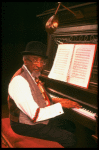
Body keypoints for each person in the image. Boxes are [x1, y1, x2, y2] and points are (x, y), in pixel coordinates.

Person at [8, 41, 82, 148]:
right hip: (23, 124)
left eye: (41, 61)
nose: (39, 65)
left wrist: (57, 100)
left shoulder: (32, 74)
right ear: (25, 60)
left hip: (34, 118)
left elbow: (38, 96)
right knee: (70, 139)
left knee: (69, 125)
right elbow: (35, 115)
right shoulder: (20, 81)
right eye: (34, 60)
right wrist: (61, 105)